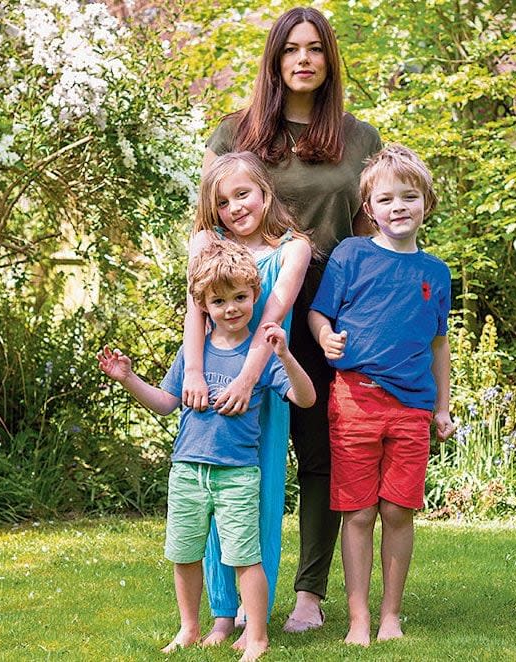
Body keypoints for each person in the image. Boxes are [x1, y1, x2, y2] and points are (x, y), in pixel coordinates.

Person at [190, 6, 382, 633]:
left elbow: (364, 231)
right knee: (236, 454)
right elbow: (209, 230)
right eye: (291, 49)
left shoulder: (359, 139)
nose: (304, 59)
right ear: (274, 61)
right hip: (247, 308)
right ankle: (231, 606)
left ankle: (309, 593)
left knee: (321, 450)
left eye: (316, 49)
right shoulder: (234, 133)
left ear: (329, 60)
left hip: (326, 308)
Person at [98, 240, 316, 661]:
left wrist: (286, 354)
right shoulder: (191, 353)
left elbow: (305, 398)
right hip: (187, 471)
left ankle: (256, 636)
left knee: (244, 557)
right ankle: (189, 628)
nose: (231, 307)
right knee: (184, 553)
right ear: (202, 305)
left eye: (240, 297)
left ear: (255, 295)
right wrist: (128, 379)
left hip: (237, 473)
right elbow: (165, 403)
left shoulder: (264, 354)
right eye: (219, 300)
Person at [307, 145, 455, 646]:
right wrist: (325, 336)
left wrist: (442, 407)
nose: (398, 207)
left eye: (409, 197)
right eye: (386, 199)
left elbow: (440, 343)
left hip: (412, 408)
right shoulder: (351, 254)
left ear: (426, 203)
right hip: (354, 398)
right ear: (369, 208)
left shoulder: (435, 272)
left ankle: (390, 615)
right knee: (359, 511)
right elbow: (318, 313)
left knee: (397, 511)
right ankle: (358, 620)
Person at [182, 152, 312, 646]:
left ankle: (250, 616)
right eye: (223, 201)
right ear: (212, 209)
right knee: (212, 493)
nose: (235, 206)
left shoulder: (292, 249)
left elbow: (273, 318)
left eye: (243, 194)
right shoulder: (204, 244)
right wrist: (194, 372)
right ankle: (220, 613)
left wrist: (247, 382)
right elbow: (194, 315)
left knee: (257, 495)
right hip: (209, 384)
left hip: (264, 386)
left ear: (264, 192)